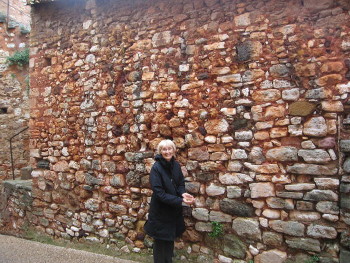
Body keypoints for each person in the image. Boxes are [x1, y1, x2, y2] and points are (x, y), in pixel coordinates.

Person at [144, 139, 194, 263]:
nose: (167, 152)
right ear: (160, 152)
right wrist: (180, 200)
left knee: (169, 240)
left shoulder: (176, 166)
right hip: (160, 212)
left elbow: (180, 184)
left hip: (172, 211)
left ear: (174, 150)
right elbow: (159, 193)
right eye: (164, 149)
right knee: (160, 243)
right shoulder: (156, 168)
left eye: (169, 148)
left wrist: (183, 194)